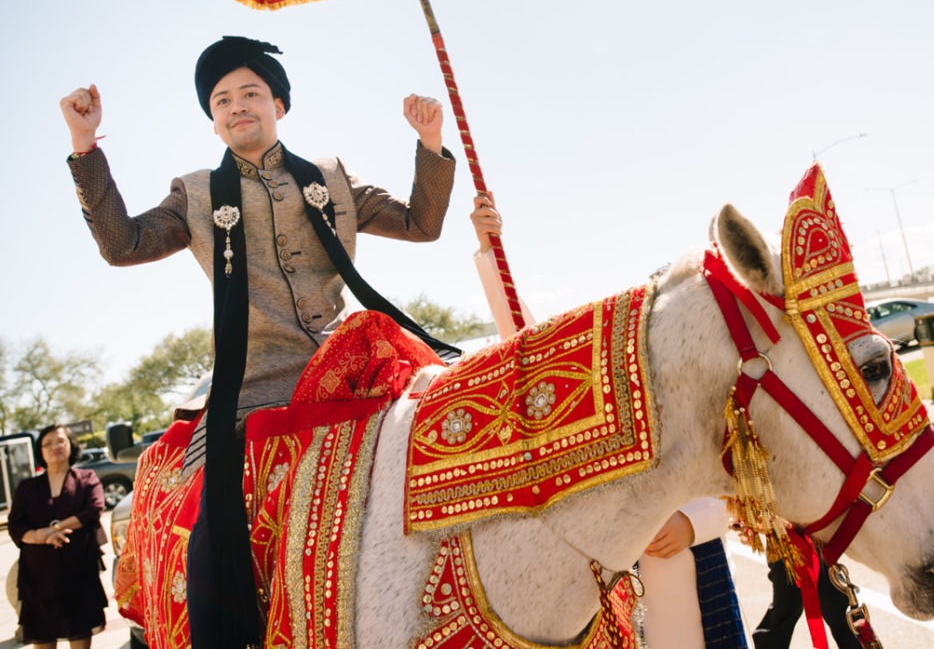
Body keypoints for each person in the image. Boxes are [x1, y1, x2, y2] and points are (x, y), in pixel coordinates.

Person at [60, 36, 456, 648]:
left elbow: (421, 224)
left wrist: (430, 145)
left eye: (250, 93)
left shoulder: (331, 178)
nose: (237, 105)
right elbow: (123, 245)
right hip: (251, 391)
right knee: (217, 531)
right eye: (222, 99)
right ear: (213, 120)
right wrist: (85, 147)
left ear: (279, 104)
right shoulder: (194, 194)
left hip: (352, 366)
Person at [470, 194, 747, 648]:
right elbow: (532, 347)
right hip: (625, 593)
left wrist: (689, 525)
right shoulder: (611, 392)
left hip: (697, 578)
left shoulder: (711, 405)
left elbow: (738, 492)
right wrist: (490, 252)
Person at [7, 425, 107, 649]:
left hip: (79, 572)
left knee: (79, 632)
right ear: (40, 451)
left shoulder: (86, 478)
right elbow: (16, 525)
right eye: (47, 443)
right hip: (37, 577)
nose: (55, 447)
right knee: (43, 637)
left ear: (71, 445)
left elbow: (94, 510)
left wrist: (57, 527)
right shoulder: (26, 487)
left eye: (60, 441)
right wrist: (42, 536)